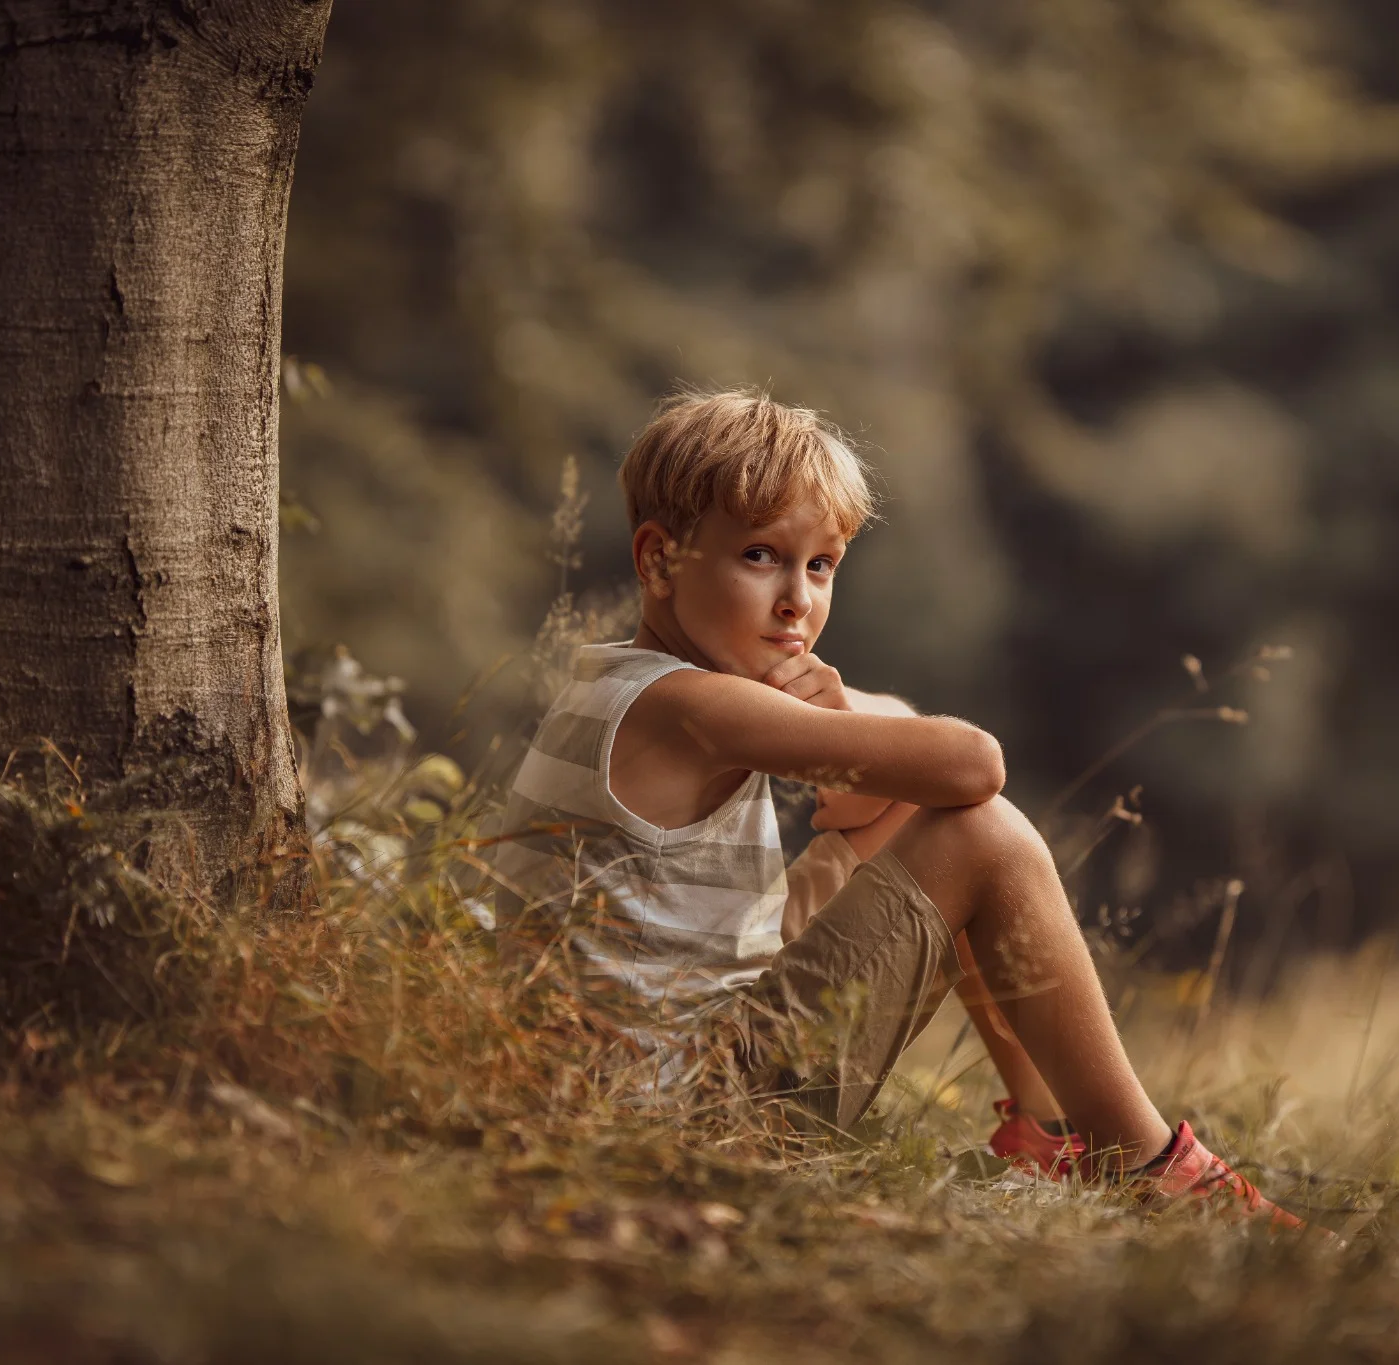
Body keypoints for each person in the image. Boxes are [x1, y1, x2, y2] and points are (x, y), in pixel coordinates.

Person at [492, 388, 1303, 1226]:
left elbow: (911, 738)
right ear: (660, 560)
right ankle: (1150, 1166)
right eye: (762, 556)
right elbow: (973, 764)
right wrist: (841, 725)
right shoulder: (689, 706)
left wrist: (843, 720)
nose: (797, 601)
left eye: (822, 565)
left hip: (655, 1085)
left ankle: (1047, 1130)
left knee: (916, 818)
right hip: (683, 1123)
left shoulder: (622, 682)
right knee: (984, 834)